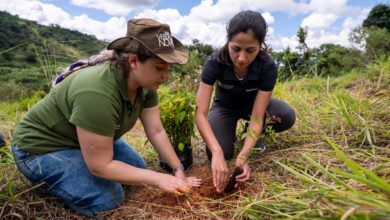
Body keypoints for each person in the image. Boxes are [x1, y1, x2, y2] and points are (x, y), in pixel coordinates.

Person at [11, 18, 201, 217]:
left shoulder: (146, 84)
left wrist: (177, 170)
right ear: (133, 61)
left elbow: (156, 130)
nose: (165, 76)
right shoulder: (96, 91)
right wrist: (158, 178)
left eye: (168, 68)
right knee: (108, 200)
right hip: (41, 149)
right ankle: (53, 180)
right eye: (159, 68)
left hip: (80, 140)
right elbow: (100, 166)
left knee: (137, 168)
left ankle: (78, 165)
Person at [195, 10, 296, 193]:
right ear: (228, 42)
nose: (242, 58)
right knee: (220, 152)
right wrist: (217, 152)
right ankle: (229, 134)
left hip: (253, 107)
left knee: (286, 115)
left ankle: (248, 137)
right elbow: (200, 113)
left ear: (260, 46)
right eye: (236, 49)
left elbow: (258, 116)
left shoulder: (267, 66)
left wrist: (243, 156)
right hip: (224, 108)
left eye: (250, 50)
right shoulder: (214, 63)